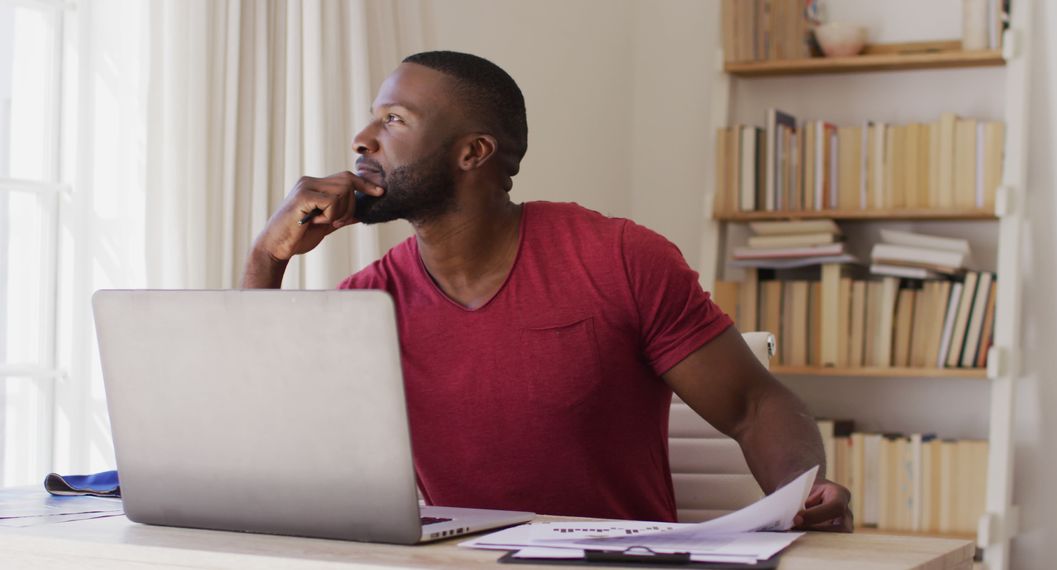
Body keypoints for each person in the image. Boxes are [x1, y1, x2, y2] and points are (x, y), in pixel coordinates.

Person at [242, 50, 852, 531]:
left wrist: (803, 490)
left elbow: (755, 406)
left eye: (394, 120)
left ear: (473, 152)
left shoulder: (617, 258)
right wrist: (267, 257)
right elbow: (266, 426)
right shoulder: (368, 303)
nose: (363, 139)